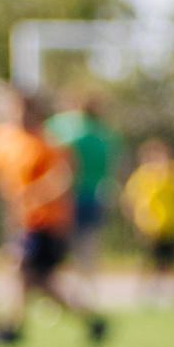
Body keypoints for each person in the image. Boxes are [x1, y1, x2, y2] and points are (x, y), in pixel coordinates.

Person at [0, 87, 108, 346]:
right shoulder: (1, 139)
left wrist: (36, 193)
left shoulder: (47, 143)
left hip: (46, 221)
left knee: (16, 268)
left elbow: (64, 176)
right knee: (42, 283)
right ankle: (92, 321)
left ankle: (10, 328)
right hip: (21, 221)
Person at [44, 88, 120, 297]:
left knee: (60, 250)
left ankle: (62, 294)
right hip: (96, 196)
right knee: (88, 249)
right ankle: (88, 292)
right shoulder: (106, 135)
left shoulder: (67, 132)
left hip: (68, 197)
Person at [123, 139, 174, 308]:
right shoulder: (142, 176)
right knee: (150, 263)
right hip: (152, 228)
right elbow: (130, 199)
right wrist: (137, 220)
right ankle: (143, 295)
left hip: (173, 225)